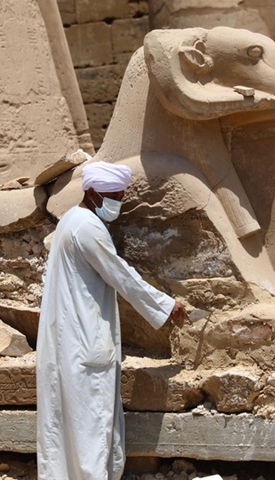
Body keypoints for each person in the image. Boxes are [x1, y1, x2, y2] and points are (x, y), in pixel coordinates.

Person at [36, 162, 188, 479]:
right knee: (91, 427)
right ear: (92, 193)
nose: (118, 203)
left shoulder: (71, 220)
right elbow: (120, 274)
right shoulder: (88, 228)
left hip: (70, 341)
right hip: (83, 342)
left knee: (70, 428)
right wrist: (165, 306)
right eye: (114, 197)